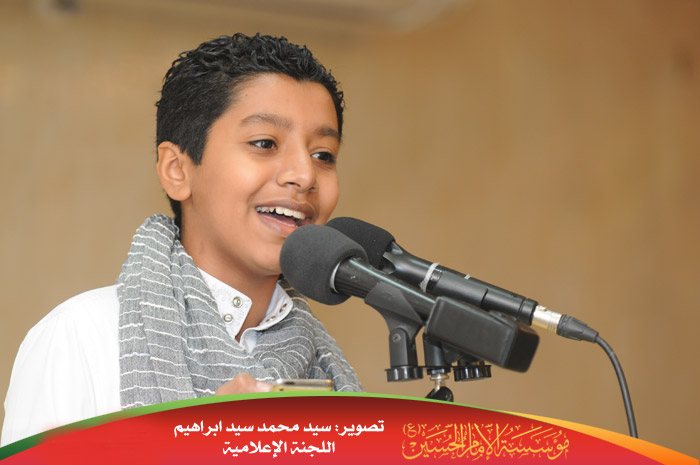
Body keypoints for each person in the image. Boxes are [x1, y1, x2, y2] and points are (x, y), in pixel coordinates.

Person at [1, 33, 361, 446]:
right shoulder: (80, 337)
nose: (304, 175)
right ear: (177, 169)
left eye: (323, 155)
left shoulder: (327, 368)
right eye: (265, 143)